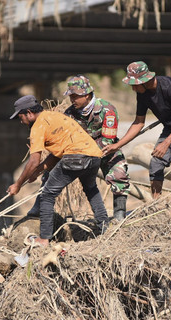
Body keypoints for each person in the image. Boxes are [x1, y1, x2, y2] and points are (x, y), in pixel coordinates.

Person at [102, 61, 171, 215]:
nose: (133, 88)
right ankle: (156, 205)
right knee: (156, 160)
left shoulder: (170, 86)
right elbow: (139, 122)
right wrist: (118, 145)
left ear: (145, 80)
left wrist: (167, 142)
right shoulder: (142, 94)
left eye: (135, 84)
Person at [7, 95, 109, 247]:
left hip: (75, 157)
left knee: (47, 194)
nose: (21, 121)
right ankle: (105, 227)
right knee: (91, 188)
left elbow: (33, 160)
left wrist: (17, 184)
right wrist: (38, 171)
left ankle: (44, 239)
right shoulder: (54, 116)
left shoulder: (38, 126)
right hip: (94, 156)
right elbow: (56, 155)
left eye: (21, 117)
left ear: (29, 113)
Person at [63, 75, 130, 221]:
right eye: (70, 97)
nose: (72, 100)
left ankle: (119, 216)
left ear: (86, 95)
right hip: (80, 154)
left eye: (75, 96)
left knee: (119, 176)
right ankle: (100, 218)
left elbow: (108, 140)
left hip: (107, 150)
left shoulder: (107, 109)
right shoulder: (69, 114)